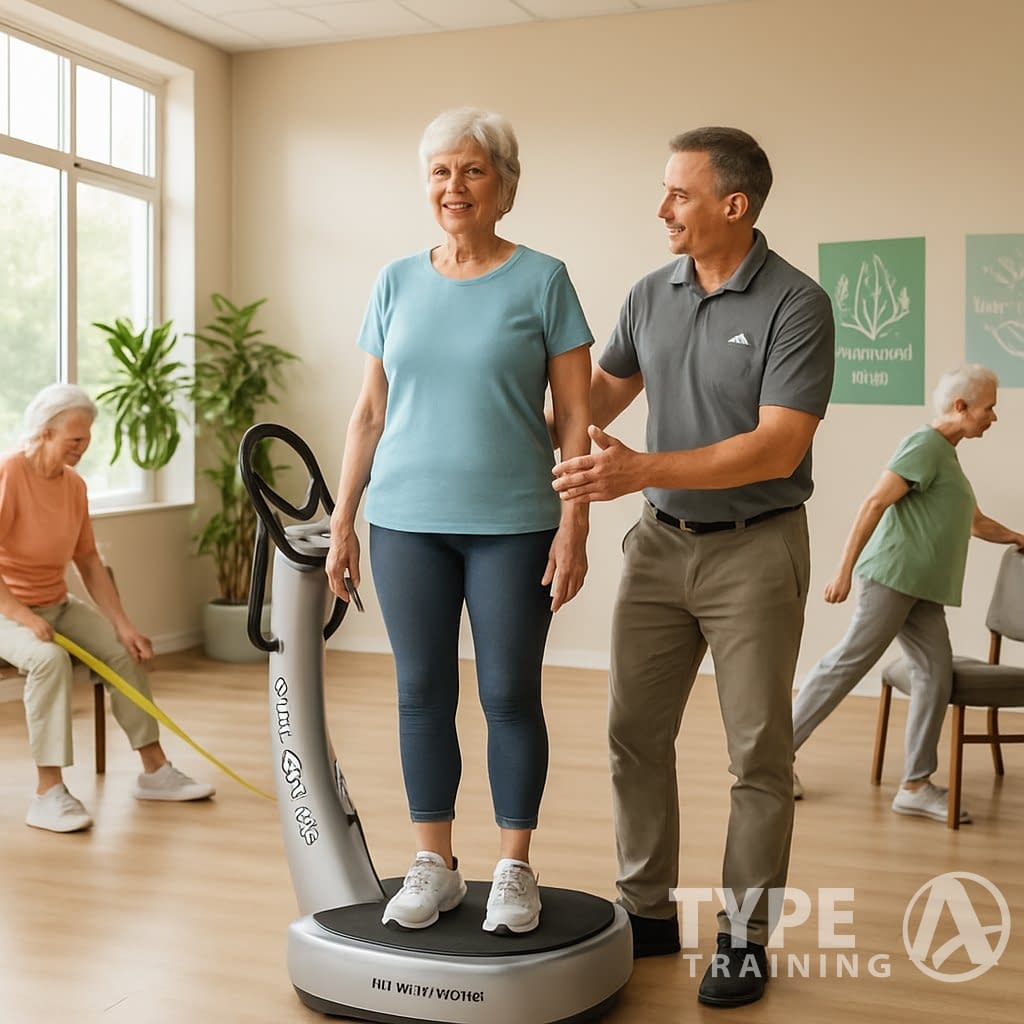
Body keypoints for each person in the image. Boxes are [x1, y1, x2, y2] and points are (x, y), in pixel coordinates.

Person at [551, 127, 834, 1007]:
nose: (662, 207)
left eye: (680, 193)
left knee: (758, 754)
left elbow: (778, 445)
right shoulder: (650, 293)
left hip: (756, 548)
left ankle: (744, 937)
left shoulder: (798, 303)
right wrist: (528, 367)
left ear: (733, 206)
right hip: (659, 546)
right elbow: (598, 398)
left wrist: (641, 469)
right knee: (633, 735)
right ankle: (646, 912)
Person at [325, 108, 592, 937]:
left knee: (510, 694)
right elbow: (368, 413)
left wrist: (573, 525)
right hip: (407, 522)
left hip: (514, 523)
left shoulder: (543, 279)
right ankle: (433, 864)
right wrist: (343, 523)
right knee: (421, 693)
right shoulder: (395, 281)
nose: (454, 187)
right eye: (441, 172)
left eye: (473, 170)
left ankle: (513, 866)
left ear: (504, 184)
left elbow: (577, 418)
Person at [792, 365, 1024, 822]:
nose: (993, 417)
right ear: (961, 407)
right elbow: (875, 502)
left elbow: (976, 523)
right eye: (989, 408)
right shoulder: (924, 445)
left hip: (922, 592)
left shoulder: (946, 457)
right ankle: (772, 759)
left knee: (935, 674)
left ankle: (916, 785)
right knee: (847, 663)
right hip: (894, 580)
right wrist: (843, 570)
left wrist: (1019, 537)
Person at [0, 383, 214, 834]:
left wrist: (124, 625)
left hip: (54, 602)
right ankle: (48, 791)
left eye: (87, 438)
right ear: (44, 432)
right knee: (48, 660)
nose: (83, 447)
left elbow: (89, 560)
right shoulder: (10, 475)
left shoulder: (74, 486)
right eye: (74, 440)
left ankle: (154, 771)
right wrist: (22, 615)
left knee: (121, 650)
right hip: (6, 609)